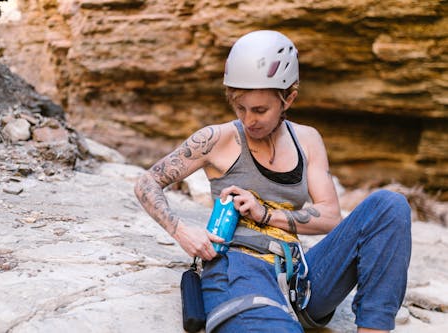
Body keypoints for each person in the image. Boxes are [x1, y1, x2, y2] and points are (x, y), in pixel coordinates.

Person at [134, 30, 412, 333]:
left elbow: (331, 218)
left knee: (389, 206)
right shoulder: (217, 139)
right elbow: (147, 181)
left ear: (288, 98)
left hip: (301, 276)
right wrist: (181, 230)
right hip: (240, 269)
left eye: (260, 110)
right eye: (240, 108)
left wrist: (265, 214)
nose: (249, 119)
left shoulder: (308, 140)